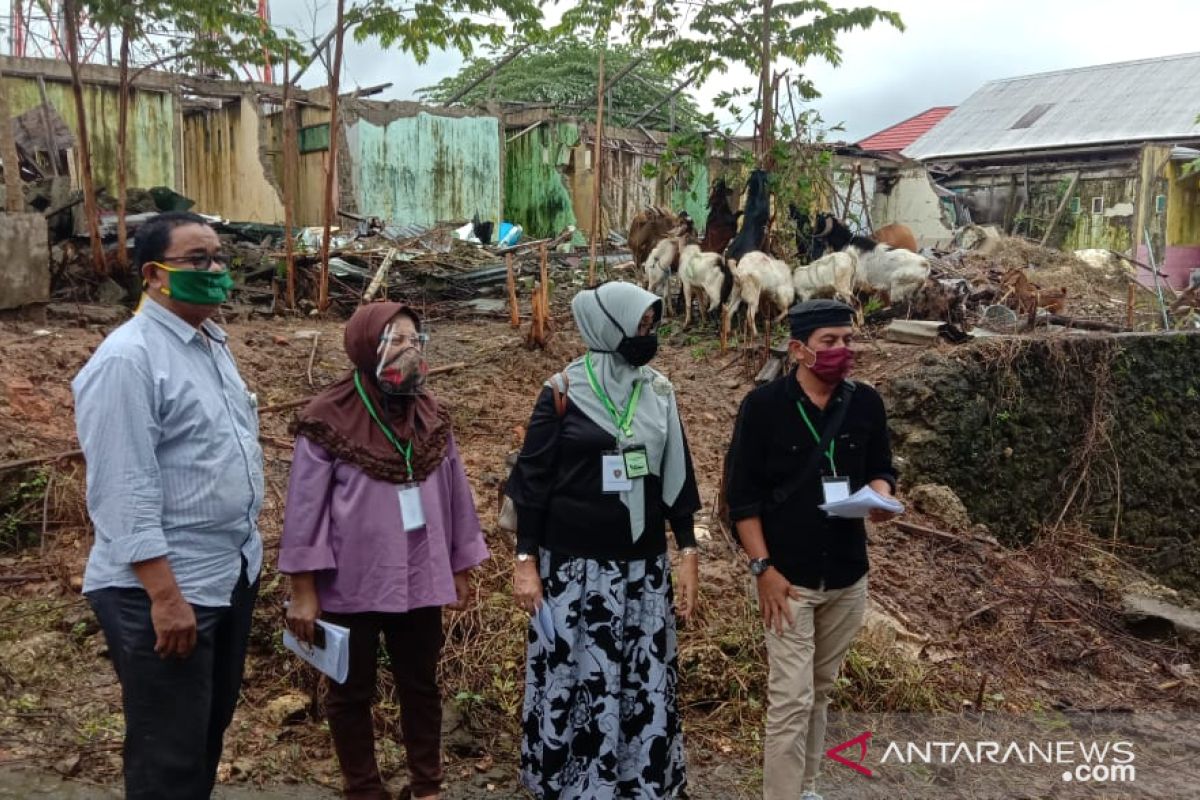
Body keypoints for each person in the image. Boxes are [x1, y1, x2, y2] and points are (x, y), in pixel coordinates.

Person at [73, 211, 263, 799]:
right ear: (155, 275)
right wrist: (164, 596)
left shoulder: (208, 342)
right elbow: (122, 492)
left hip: (225, 577)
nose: (215, 270)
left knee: (203, 736)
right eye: (197, 260)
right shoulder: (127, 360)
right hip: (163, 591)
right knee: (168, 757)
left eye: (218, 258)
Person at [279, 302, 488, 800]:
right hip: (351, 582)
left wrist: (460, 565)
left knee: (421, 686)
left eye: (415, 341)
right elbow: (305, 508)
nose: (408, 351)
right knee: (350, 692)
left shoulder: (431, 415)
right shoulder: (327, 417)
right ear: (364, 346)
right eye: (395, 340)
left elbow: (457, 494)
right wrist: (303, 590)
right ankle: (364, 789)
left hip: (420, 578)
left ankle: (426, 786)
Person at [506, 281, 702, 799]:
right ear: (609, 326)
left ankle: (635, 782)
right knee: (575, 682)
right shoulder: (562, 392)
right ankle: (571, 784)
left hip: (640, 574)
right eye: (640, 323)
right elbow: (531, 484)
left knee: (640, 680)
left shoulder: (659, 391)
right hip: (576, 576)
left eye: (652, 324)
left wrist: (687, 551)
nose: (648, 333)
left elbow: (676, 478)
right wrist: (526, 561)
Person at [724, 299, 899, 800]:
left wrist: (883, 496)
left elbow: (882, 467)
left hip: (847, 577)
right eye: (830, 342)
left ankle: (809, 787)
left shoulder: (866, 402)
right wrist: (763, 568)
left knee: (820, 690)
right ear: (800, 349)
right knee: (790, 698)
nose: (842, 350)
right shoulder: (763, 408)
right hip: (788, 579)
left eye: (848, 340)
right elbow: (743, 500)